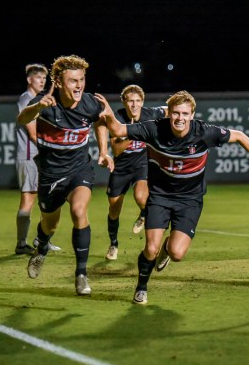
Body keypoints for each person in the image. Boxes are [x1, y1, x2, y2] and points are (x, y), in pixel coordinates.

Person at [101, 90, 249, 304]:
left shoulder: (204, 132)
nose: (180, 118)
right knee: (150, 248)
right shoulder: (154, 128)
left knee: (176, 253)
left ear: (192, 115)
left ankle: (166, 249)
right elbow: (118, 129)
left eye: (185, 114)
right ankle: (142, 286)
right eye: (176, 113)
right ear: (169, 114)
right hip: (160, 196)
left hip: (189, 201)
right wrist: (109, 113)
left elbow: (239, 136)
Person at [17, 54, 114, 296]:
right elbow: (22, 119)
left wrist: (103, 151)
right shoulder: (46, 102)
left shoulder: (90, 103)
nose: (79, 85)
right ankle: (41, 249)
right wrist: (38, 106)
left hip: (79, 168)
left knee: (79, 211)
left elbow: (100, 121)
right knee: (50, 223)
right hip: (50, 173)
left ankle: (81, 274)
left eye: (81, 79)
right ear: (59, 82)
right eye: (73, 81)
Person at [105, 84, 167, 261]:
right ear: (124, 102)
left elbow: (169, 109)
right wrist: (133, 133)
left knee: (141, 196)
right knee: (114, 209)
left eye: (138, 101)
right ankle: (113, 244)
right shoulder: (117, 118)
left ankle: (144, 214)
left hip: (142, 164)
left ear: (143, 102)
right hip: (121, 167)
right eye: (130, 101)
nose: (134, 105)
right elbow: (116, 150)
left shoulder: (150, 114)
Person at [14, 63, 61, 255]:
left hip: (39, 156)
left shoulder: (40, 98)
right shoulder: (27, 99)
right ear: (29, 79)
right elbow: (33, 133)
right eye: (38, 77)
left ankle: (42, 239)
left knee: (46, 197)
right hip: (30, 155)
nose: (41, 80)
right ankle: (21, 243)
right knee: (28, 199)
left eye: (44, 77)